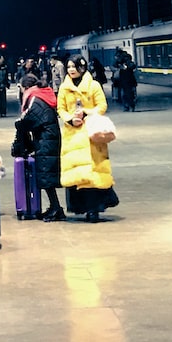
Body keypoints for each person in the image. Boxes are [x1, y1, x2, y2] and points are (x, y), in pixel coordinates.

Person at [58, 55, 114, 222]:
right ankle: (80, 207)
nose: (71, 70)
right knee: (77, 173)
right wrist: (70, 119)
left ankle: (94, 209)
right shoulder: (64, 88)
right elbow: (60, 109)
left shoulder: (94, 85)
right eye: (68, 67)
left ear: (82, 67)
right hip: (72, 135)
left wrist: (86, 113)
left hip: (91, 135)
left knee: (93, 172)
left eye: (74, 66)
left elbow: (102, 106)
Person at [12, 73, 64, 220]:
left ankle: (56, 209)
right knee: (45, 174)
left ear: (25, 87)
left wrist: (19, 124)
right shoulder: (41, 94)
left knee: (46, 175)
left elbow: (28, 118)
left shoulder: (35, 97)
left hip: (46, 139)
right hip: (47, 138)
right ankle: (55, 207)